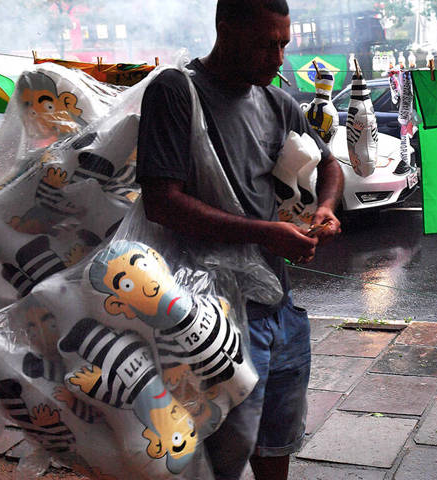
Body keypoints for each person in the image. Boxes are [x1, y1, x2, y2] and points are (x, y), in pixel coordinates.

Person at [135, 0, 344, 479]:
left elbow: (328, 163)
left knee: (277, 440)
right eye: (265, 45)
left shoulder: (278, 102)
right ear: (225, 31)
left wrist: (326, 208)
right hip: (209, 317)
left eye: (284, 45)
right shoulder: (175, 91)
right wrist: (264, 232)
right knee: (216, 453)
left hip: (279, 306)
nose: (278, 58)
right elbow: (162, 202)